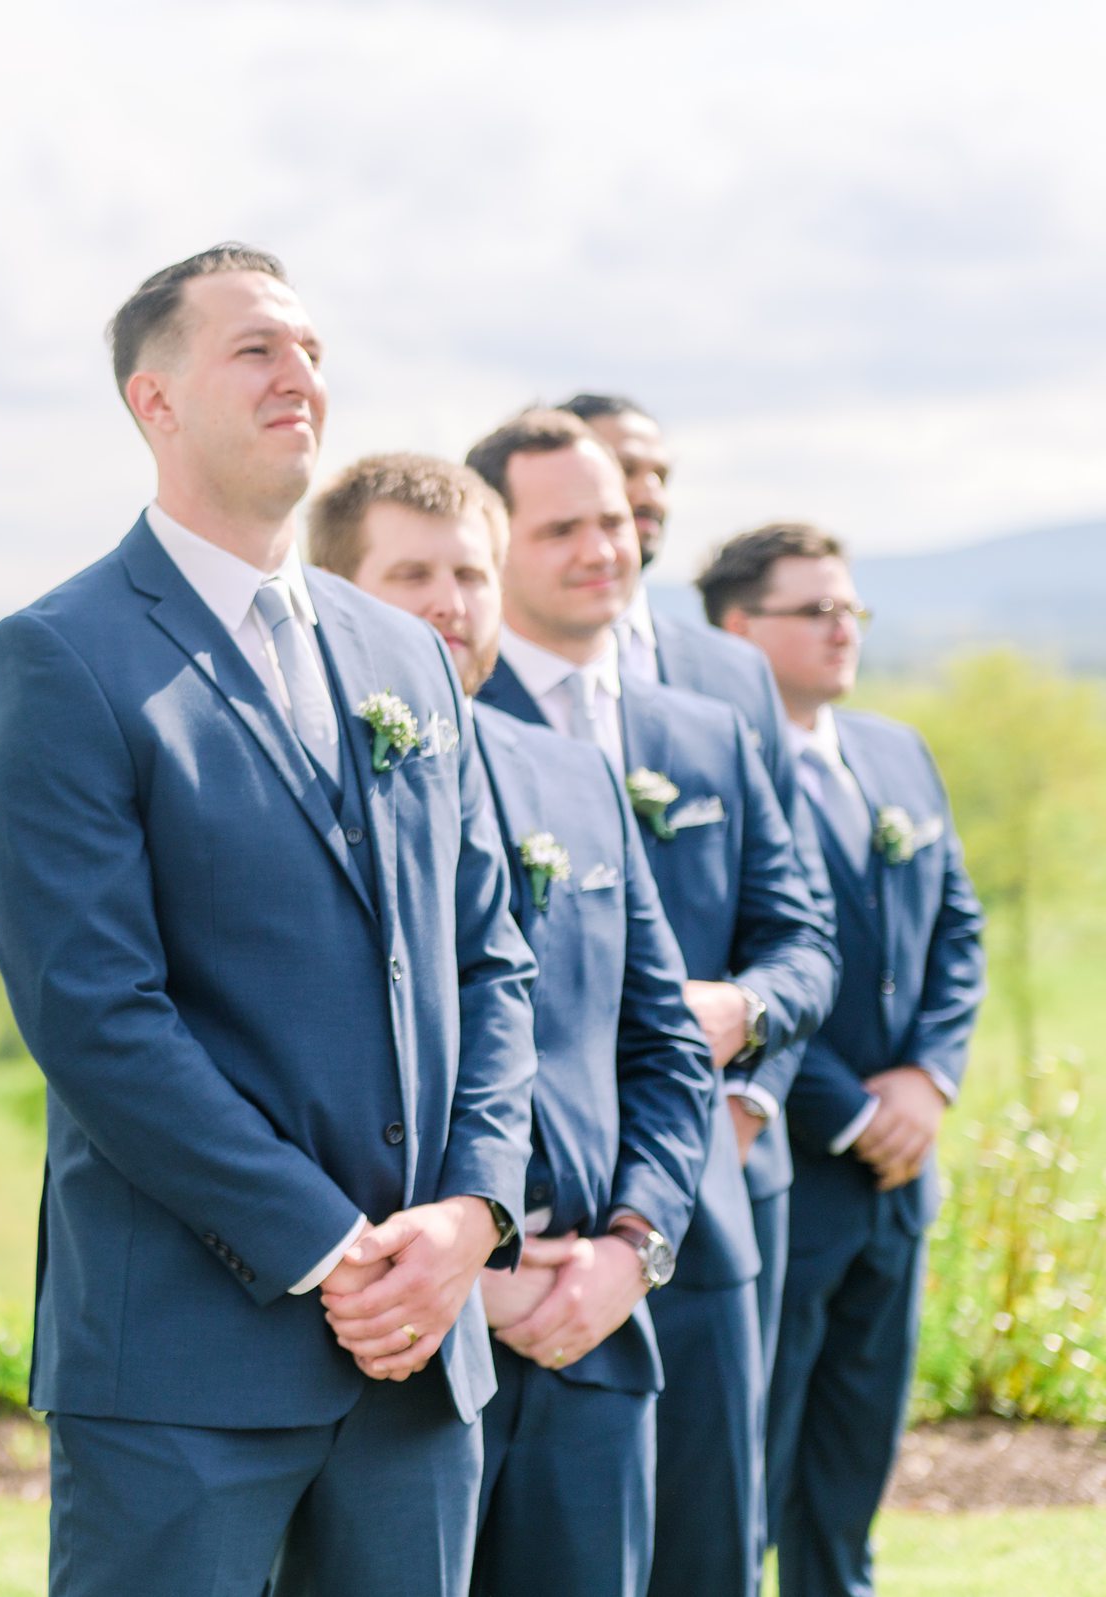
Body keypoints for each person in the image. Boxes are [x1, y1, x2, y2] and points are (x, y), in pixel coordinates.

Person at [0, 245, 537, 1597]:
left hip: (417, 1361)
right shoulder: (61, 656)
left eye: (314, 350)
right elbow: (98, 1018)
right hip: (184, 1364)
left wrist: (468, 1216)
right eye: (255, 350)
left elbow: (490, 953)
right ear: (151, 399)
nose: (301, 375)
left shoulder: (402, 654)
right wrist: (334, 1252)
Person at [311, 453, 717, 1597]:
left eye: (472, 575)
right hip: (388, 1344)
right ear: (335, 597)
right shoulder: (298, 793)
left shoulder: (577, 780)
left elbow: (665, 1047)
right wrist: (460, 1273)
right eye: (412, 575)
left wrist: (631, 1254)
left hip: (586, 1335)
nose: (450, 603)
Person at [470, 410, 834, 1597]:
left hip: (711, 1219)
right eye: (563, 526)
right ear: (500, 541)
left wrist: (742, 1035)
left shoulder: (712, 730)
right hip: (537, 1244)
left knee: (707, 1557)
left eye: (617, 521)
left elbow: (802, 938)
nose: (604, 548)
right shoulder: (450, 740)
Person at [562, 391, 840, 1513]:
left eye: (659, 476)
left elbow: (791, 917)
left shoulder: (727, 678)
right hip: (571, 1174)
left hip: (733, 1146)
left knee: (722, 1495)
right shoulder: (489, 666)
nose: (644, 498)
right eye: (621, 471)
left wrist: (755, 1090)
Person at [703, 524, 985, 1597]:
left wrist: (927, 1079)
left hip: (900, 1181)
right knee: (751, 1476)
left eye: (850, 608)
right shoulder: (716, 763)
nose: (841, 626)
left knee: (853, 1472)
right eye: (813, 607)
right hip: (788, 1168)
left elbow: (958, 927)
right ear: (739, 627)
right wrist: (853, 1115)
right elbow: (734, 966)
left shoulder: (896, 750)